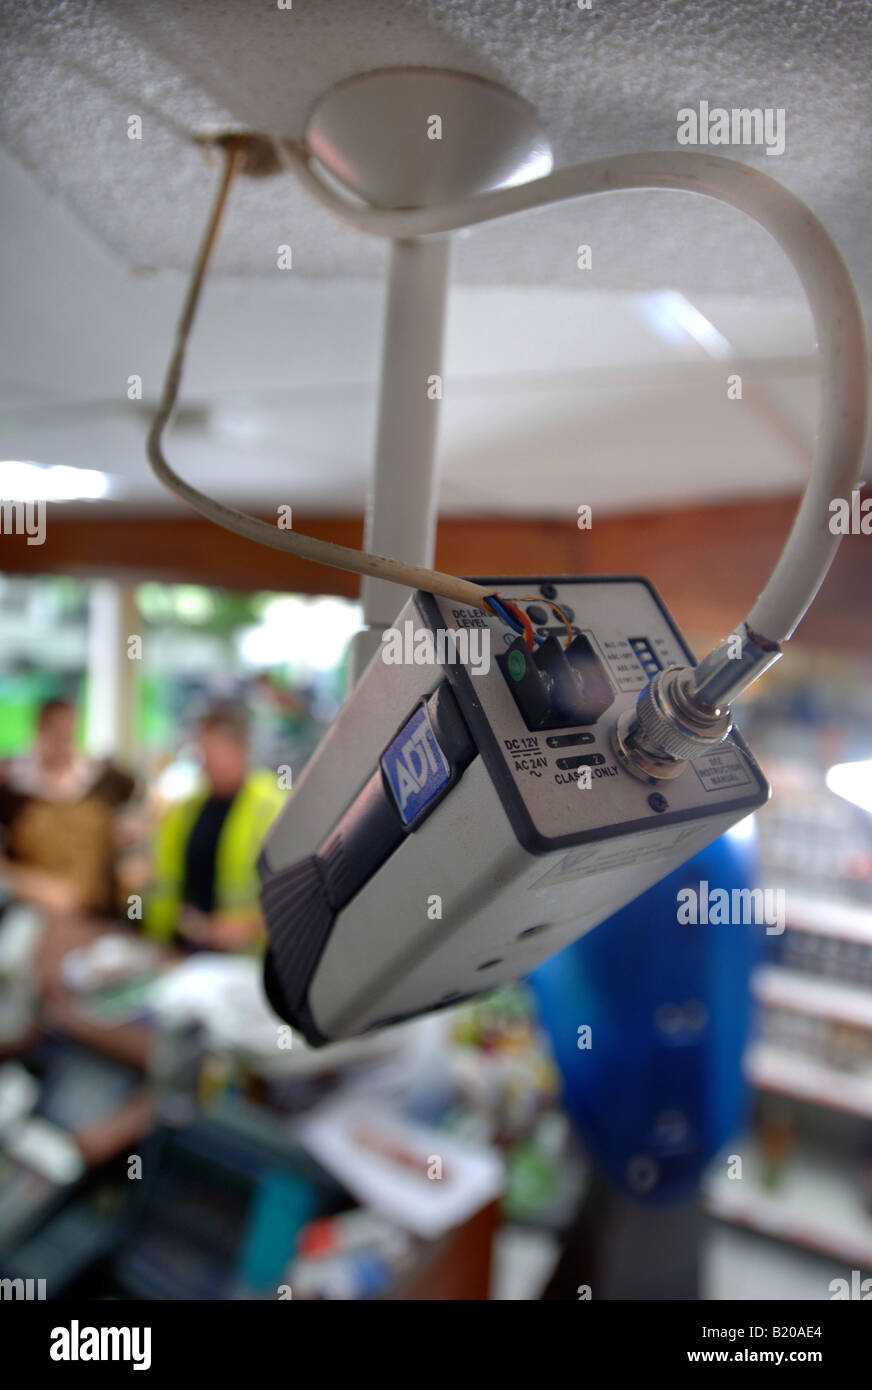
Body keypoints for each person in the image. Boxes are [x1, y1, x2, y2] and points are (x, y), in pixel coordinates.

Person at [148, 701, 286, 951]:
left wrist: (244, 928)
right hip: (182, 950)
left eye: (215, 752)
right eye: (202, 752)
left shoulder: (272, 806)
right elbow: (167, 879)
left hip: (243, 963)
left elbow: (295, 900)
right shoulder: (187, 808)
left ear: (241, 749)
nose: (207, 763)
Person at [0, 696, 135, 917]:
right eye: (56, 734)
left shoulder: (102, 781)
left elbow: (131, 825)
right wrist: (27, 883)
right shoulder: (12, 789)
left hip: (97, 908)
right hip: (34, 911)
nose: (63, 742)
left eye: (68, 734)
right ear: (40, 731)